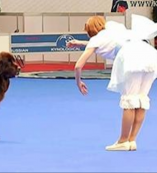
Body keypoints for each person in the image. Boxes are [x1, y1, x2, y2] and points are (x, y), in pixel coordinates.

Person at [66, 14, 157, 151]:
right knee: (141, 98)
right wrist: (79, 42)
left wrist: (78, 81)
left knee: (130, 99)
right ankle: (132, 140)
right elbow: (104, 43)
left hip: (132, 56)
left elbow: (78, 65)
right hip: (148, 54)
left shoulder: (96, 40)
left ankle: (122, 141)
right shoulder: (114, 29)